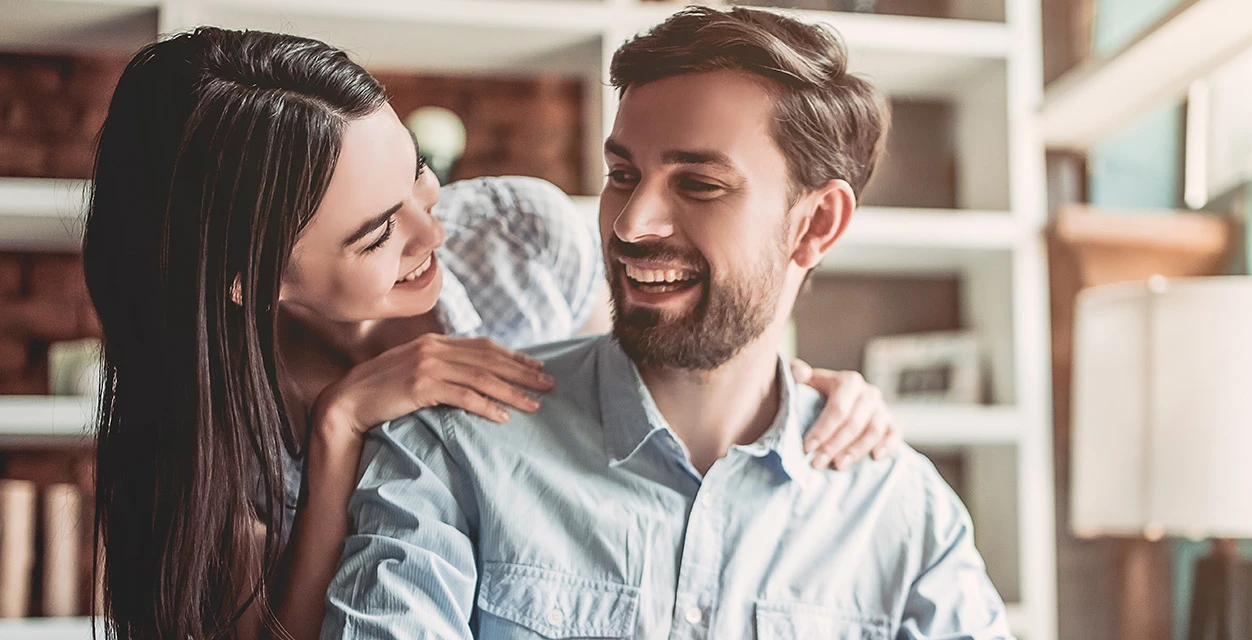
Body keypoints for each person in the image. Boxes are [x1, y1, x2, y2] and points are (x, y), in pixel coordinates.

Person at [83, 26, 903, 640]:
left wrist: (789, 390)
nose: (432, 234)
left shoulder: (518, 239)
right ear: (252, 281)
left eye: (417, 176)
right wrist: (340, 427)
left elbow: (656, 372)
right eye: (376, 235)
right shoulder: (201, 438)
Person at [322, 7, 1012, 639]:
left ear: (816, 225)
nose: (631, 222)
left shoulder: (904, 515)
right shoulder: (452, 447)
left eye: (699, 184)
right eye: (623, 174)